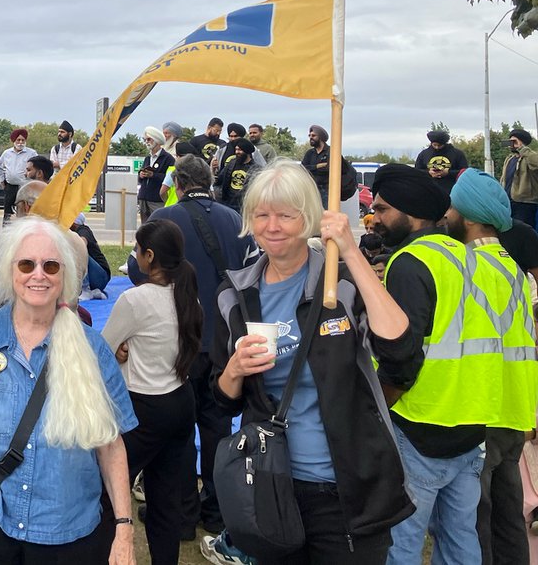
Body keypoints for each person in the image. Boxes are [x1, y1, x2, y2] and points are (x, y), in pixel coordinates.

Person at [210, 160, 419, 564]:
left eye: (286, 215)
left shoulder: (338, 285)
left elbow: (402, 351)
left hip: (347, 488)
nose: (272, 226)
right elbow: (221, 401)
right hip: (272, 485)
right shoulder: (235, 293)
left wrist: (352, 251)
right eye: (261, 215)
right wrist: (234, 370)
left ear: (307, 217)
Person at [0, 217, 137, 564]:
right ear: (10, 272)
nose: (38, 274)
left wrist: (124, 529)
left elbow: (111, 444)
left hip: (66, 531)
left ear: (65, 276)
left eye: (51, 265)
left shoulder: (93, 350)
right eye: (27, 264)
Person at [361, 164, 497, 565]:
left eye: (383, 209)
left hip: (421, 428)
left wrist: (377, 408)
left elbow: (402, 356)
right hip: (470, 426)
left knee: (400, 542)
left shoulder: (410, 262)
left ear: (411, 211)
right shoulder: (466, 255)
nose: (375, 218)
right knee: (460, 541)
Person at [148, 154, 259, 537]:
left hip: (178, 336)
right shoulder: (235, 219)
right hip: (225, 339)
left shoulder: (164, 219)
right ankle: (216, 510)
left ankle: (180, 514)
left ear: (177, 183)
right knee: (217, 429)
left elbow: (136, 270)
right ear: (211, 180)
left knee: (178, 429)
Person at [442, 170, 538, 565]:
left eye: (451, 206)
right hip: (514, 411)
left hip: (480, 412)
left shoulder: (465, 269)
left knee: (474, 519)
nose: (445, 213)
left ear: (467, 215)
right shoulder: (516, 272)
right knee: (509, 512)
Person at [102, 220, 202, 565]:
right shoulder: (190, 297)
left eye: (136, 249)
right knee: (165, 499)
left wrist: (116, 352)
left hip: (143, 409)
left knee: (108, 492)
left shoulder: (135, 299)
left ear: (149, 256)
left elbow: (101, 350)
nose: (134, 257)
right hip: (180, 402)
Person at [0, 129, 36, 222]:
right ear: (14, 141)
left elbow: (37, 168)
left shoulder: (31, 153)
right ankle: (6, 233)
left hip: (25, 187)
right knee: (8, 212)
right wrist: (2, 181)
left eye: (23, 140)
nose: (21, 142)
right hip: (10, 187)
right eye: (18, 140)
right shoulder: (7, 153)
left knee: (24, 211)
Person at [501, 129, 538, 228]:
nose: (512, 144)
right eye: (510, 141)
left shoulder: (529, 157)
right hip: (508, 202)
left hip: (525, 203)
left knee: (524, 232)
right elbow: (503, 179)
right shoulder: (509, 159)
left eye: (514, 141)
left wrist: (522, 148)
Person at [137, 126, 174, 223]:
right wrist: (141, 175)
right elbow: (140, 178)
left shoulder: (168, 158)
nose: (146, 142)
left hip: (156, 199)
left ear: (157, 140)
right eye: (145, 140)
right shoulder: (147, 158)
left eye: (149, 139)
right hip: (143, 198)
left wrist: (153, 175)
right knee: (144, 227)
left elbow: (169, 178)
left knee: (158, 225)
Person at [412, 129, 467, 194]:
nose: (437, 147)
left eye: (440, 145)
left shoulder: (457, 154)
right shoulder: (423, 154)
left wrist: (448, 173)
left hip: (452, 191)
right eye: (434, 145)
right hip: (429, 191)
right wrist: (429, 173)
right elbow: (416, 172)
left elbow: (464, 172)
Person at [216, 137, 259, 212]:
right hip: (227, 204)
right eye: (236, 149)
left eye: (240, 150)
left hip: (244, 207)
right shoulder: (231, 164)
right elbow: (219, 180)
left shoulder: (256, 169)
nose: (237, 152)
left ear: (247, 152)